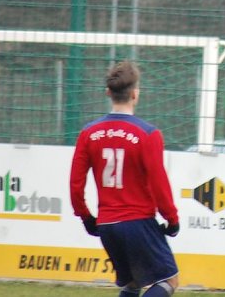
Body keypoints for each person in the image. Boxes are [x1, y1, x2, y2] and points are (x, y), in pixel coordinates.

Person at [69, 60, 180, 297]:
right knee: (169, 280)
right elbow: (159, 182)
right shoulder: (148, 134)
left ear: (108, 93)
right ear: (135, 94)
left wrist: (86, 217)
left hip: (107, 224)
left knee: (132, 283)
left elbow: (75, 184)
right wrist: (171, 218)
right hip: (138, 221)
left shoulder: (89, 133)